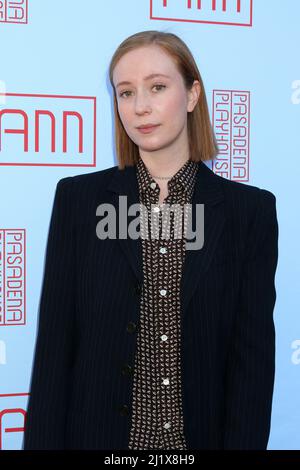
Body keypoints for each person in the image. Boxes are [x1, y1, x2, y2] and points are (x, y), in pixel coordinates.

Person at [22, 30, 279, 450]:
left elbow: (251, 365)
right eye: (125, 93)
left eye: (157, 87)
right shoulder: (79, 200)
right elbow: (54, 350)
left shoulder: (248, 213)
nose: (140, 106)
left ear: (193, 93)